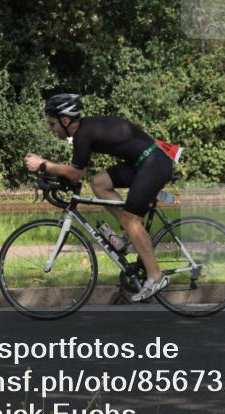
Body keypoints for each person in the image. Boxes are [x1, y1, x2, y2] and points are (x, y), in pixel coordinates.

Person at [24, 93, 174, 301]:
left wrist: (43, 165)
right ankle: (131, 235)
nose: (51, 129)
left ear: (65, 121)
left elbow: (76, 173)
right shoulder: (84, 132)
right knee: (99, 182)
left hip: (154, 164)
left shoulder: (83, 134)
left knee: (132, 220)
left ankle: (155, 276)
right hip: (143, 163)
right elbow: (77, 174)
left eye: (52, 124)